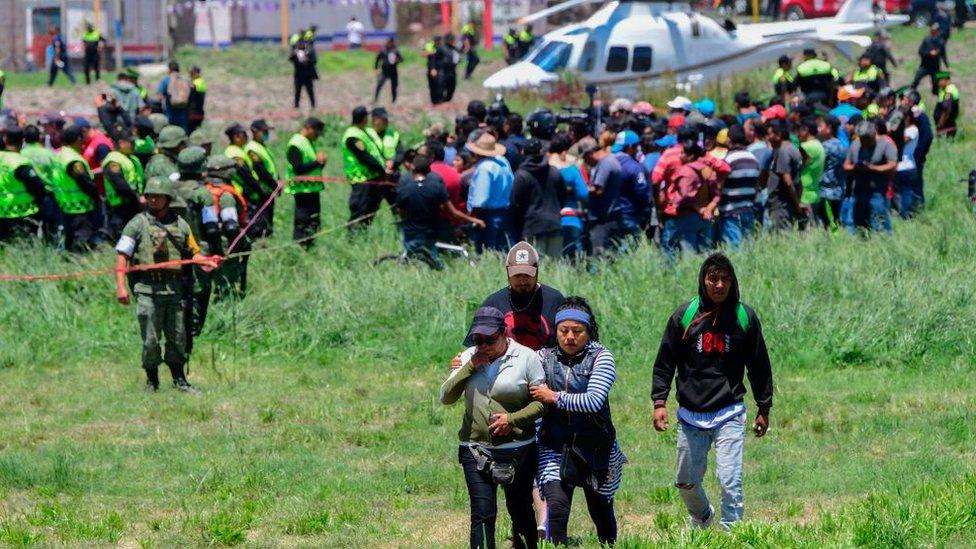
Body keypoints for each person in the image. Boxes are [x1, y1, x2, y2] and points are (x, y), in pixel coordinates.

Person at [652, 252, 773, 531]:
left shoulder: (744, 317)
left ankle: (733, 534)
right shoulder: (685, 316)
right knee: (685, 481)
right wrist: (660, 401)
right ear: (703, 280)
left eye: (725, 279)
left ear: (732, 282)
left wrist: (763, 407)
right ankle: (703, 515)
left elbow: (759, 365)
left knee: (730, 479)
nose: (719, 285)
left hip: (729, 411)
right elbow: (665, 362)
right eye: (713, 279)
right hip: (690, 415)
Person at [441, 306, 545, 549]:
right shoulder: (468, 357)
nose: (484, 345)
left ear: (504, 333)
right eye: (478, 340)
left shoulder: (527, 357)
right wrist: (469, 367)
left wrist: (512, 420)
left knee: (519, 509)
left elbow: (541, 404)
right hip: (474, 448)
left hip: (518, 450)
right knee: (482, 513)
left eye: (490, 339)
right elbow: (446, 397)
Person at [529, 297, 625, 546]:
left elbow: (593, 401)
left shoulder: (602, 357)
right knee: (557, 508)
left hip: (596, 448)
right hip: (554, 446)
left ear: (589, 332)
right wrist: (471, 358)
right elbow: (512, 359)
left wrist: (554, 397)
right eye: (564, 331)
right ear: (556, 331)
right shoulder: (542, 357)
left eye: (577, 331)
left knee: (601, 512)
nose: (570, 337)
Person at [114, 177, 218, 392]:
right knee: (150, 340)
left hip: (175, 290)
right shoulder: (137, 223)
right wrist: (121, 286)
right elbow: (122, 255)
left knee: (178, 337)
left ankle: (180, 380)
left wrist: (206, 262)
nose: (153, 199)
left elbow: (194, 253)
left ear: (168, 198)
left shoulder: (181, 224)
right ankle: (152, 382)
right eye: (149, 195)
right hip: (148, 291)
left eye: (158, 196)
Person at [395, 153, 484, 269]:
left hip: (411, 234)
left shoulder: (404, 190)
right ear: (429, 170)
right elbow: (453, 213)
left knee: (411, 263)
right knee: (435, 264)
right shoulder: (436, 187)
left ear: (412, 168)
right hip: (431, 233)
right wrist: (474, 220)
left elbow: (401, 212)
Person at [201, 155, 250, 299]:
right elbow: (231, 226)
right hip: (224, 243)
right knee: (225, 281)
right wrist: (243, 242)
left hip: (204, 241)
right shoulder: (225, 195)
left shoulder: (203, 190)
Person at [660, 141, 719, 260]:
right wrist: (708, 208)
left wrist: (697, 208)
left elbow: (684, 197)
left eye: (683, 153)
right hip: (707, 217)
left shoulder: (685, 171)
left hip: (687, 217)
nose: (680, 156)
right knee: (705, 254)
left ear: (691, 156)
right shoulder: (707, 169)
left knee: (687, 254)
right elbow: (717, 194)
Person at [511, 139, 565, 257]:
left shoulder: (521, 175)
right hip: (555, 226)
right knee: (555, 270)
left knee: (535, 270)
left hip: (532, 228)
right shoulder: (555, 172)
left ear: (523, 153)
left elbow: (515, 204)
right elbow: (562, 198)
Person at [344, 106, 392, 232]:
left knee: (370, 209)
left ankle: (363, 234)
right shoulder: (352, 136)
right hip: (361, 179)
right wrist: (382, 170)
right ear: (364, 118)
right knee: (360, 209)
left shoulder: (363, 131)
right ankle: (353, 238)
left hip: (371, 178)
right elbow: (365, 157)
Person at [843, 121, 896, 234]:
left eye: (867, 139)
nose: (864, 142)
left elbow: (892, 165)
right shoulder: (855, 144)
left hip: (876, 192)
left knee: (878, 225)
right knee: (853, 225)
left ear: (874, 134)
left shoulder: (886, 144)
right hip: (857, 192)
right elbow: (846, 166)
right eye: (862, 139)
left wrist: (872, 168)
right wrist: (855, 167)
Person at [466, 132, 515, 254]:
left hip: (488, 216)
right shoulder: (503, 161)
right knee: (503, 250)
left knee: (489, 250)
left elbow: (480, 199)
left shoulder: (484, 168)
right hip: (505, 212)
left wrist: (470, 217)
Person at [285, 117, 328, 246]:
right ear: (308, 128)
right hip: (302, 190)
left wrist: (321, 164)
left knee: (314, 221)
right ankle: (300, 248)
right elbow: (298, 168)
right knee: (303, 222)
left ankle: (310, 246)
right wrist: (317, 162)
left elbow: (311, 168)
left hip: (312, 189)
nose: (317, 136)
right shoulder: (295, 144)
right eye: (316, 132)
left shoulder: (308, 142)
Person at [580, 135, 625, 259]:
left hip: (603, 220)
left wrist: (582, 190)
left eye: (585, 158)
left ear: (590, 153)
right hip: (612, 216)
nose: (586, 162)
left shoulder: (605, 163)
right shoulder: (611, 160)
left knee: (599, 257)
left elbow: (598, 190)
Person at [0, 127, 48, 241]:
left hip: (2, 214)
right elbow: (38, 187)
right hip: (23, 214)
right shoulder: (20, 163)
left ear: (5, 140)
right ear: (23, 141)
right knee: (24, 251)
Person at [56, 125, 99, 252]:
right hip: (81, 207)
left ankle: (69, 266)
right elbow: (85, 183)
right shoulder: (74, 160)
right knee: (81, 243)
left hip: (66, 206)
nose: (83, 142)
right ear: (76, 140)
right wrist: (97, 197)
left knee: (69, 239)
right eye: (82, 139)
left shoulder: (60, 154)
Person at [223, 123, 270, 237]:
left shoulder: (238, 150)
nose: (246, 136)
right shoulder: (234, 153)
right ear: (236, 137)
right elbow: (246, 176)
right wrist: (260, 190)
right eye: (244, 134)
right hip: (243, 194)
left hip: (247, 193)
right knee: (251, 226)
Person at [548, 133, 588, 259]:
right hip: (571, 218)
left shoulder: (544, 169)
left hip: (548, 220)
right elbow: (584, 193)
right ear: (564, 151)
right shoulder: (571, 170)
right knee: (574, 259)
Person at [718, 126, 760, 248]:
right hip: (748, 210)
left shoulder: (727, 160)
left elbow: (719, 187)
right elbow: (756, 187)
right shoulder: (753, 159)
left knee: (734, 249)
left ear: (729, 140)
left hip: (730, 212)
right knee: (748, 249)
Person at [20, 125, 63, 242]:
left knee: (30, 228)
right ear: (39, 137)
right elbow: (58, 174)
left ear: (24, 138)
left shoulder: (21, 155)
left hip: (28, 196)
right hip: (48, 195)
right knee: (50, 228)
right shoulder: (48, 154)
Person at [761, 120, 805, 230]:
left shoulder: (783, 151)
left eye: (770, 134)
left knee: (780, 235)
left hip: (781, 205)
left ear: (778, 135)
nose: (768, 138)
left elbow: (788, 181)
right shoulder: (793, 148)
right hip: (787, 203)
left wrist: (797, 203)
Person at [102, 131, 145, 240]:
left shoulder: (132, 158)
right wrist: (137, 200)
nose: (134, 144)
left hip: (133, 204)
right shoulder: (113, 160)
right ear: (121, 143)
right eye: (131, 142)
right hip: (120, 206)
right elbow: (120, 186)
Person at [613, 129, 652, 243]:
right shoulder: (634, 167)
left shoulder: (607, 162)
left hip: (610, 216)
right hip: (629, 215)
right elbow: (642, 192)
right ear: (630, 147)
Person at [245, 119, 280, 238]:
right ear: (254, 132)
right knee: (261, 222)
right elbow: (260, 170)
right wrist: (275, 185)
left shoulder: (262, 146)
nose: (266, 134)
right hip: (261, 190)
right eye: (264, 131)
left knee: (268, 220)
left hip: (268, 189)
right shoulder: (252, 148)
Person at [816, 115, 846, 229]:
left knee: (826, 225)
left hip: (825, 191)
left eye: (821, 126)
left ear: (828, 128)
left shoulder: (824, 147)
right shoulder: (841, 145)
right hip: (838, 190)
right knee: (836, 221)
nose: (819, 129)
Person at [796, 117, 825, 228]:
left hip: (805, 195)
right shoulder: (819, 145)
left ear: (806, 130)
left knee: (805, 232)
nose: (797, 134)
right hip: (815, 192)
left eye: (799, 130)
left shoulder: (806, 147)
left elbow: (796, 166)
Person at [895, 109, 921, 219]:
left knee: (906, 192)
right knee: (900, 193)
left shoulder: (912, 130)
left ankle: (907, 215)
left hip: (907, 166)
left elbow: (902, 142)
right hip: (899, 166)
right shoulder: (904, 130)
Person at [911, 25, 949, 96]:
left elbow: (943, 54)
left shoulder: (940, 42)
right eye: (932, 30)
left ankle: (935, 95)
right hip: (925, 65)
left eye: (935, 30)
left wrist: (947, 65)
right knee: (917, 79)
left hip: (935, 66)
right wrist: (929, 53)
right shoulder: (926, 40)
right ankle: (912, 91)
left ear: (938, 31)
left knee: (935, 83)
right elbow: (920, 51)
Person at [157, 62, 191, 132]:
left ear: (169, 69)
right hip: (183, 113)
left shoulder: (165, 80)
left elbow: (159, 97)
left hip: (170, 113)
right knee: (183, 133)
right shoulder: (184, 80)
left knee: (171, 134)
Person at [290, 34, 318, 109]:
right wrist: (294, 54)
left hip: (308, 75)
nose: (300, 45)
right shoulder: (295, 52)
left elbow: (314, 60)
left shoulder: (309, 51)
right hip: (298, 75)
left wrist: (307, 60)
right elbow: (291, 59)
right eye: (299, 43)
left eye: (302, 43)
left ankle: (313, 105)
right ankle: (296, 105)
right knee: (297, 92)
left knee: (310, 91)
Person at [373, 38, 403, 104]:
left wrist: (396, 60)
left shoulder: (395, 50)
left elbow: (401, 59)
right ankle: (375, 99)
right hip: (384, 72)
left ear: (392, 43)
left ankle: (394, 100)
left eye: (389, 43)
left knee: (394, 86)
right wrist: (376, 68)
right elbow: (377, 59)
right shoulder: (383, 50)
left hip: (393, 71)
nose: (388, 44)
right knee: (379, 84)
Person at [933, 71, 959, 137]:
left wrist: (940, 124)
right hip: (945, 125)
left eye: (939, 80)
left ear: (945, 80)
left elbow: (946, 109)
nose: (937, 83)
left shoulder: (949, 91)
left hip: (946, 126)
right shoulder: (945, 90)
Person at [439, 34, 461, 103]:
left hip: (452, 71)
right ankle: (441, 101)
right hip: (443, 71)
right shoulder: (441, 48)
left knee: (452, 86)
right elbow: (436, 59)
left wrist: (458, 60)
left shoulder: (455, 48)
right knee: (442, 87)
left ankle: (447, 100)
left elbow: (458, 56)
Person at [424, 36, 444, 105]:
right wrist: (432, 69)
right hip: (432, 68)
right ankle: (434, 101)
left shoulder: (441, 47)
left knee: (440, 85)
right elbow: (424, 54)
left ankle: (439, 101)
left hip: (439, 69)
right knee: (432, 85)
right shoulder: (430, 46)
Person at [188, 67, 207, 133]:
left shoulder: (196, 83)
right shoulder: (202, 82)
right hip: (200, 113)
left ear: (196, 73)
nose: (190, 76)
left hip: (193, 113)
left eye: (191, 74)